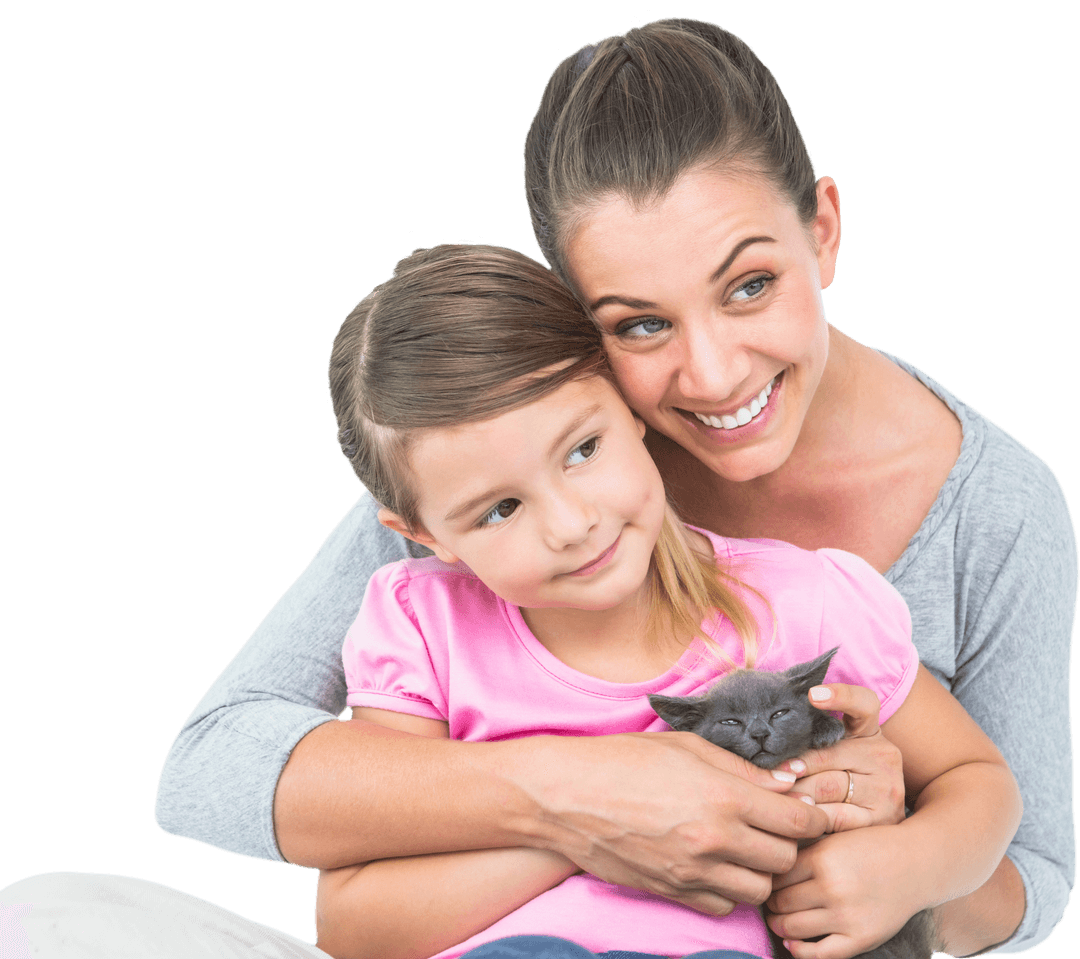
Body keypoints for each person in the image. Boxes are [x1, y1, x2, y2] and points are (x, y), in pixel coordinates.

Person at [4, 14, 1073, 959]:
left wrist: (898, 858)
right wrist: (580, 802)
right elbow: (212, 770)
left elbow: (1033, 875)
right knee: (46, 919)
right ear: (580, 329)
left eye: (751, 284)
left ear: (824, 229)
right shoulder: (524, 451)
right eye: (639, 322)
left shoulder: (988, 513)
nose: (710, 374)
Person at [312, 242, 1018, 959]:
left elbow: (978, 782)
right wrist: (590, 826)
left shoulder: (797, 602)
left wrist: (906, 867)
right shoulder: (425, 629)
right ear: (424, 533)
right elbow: (353, 922)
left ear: (627, 404)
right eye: (499, 509)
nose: (572, 523)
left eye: (583, 449)